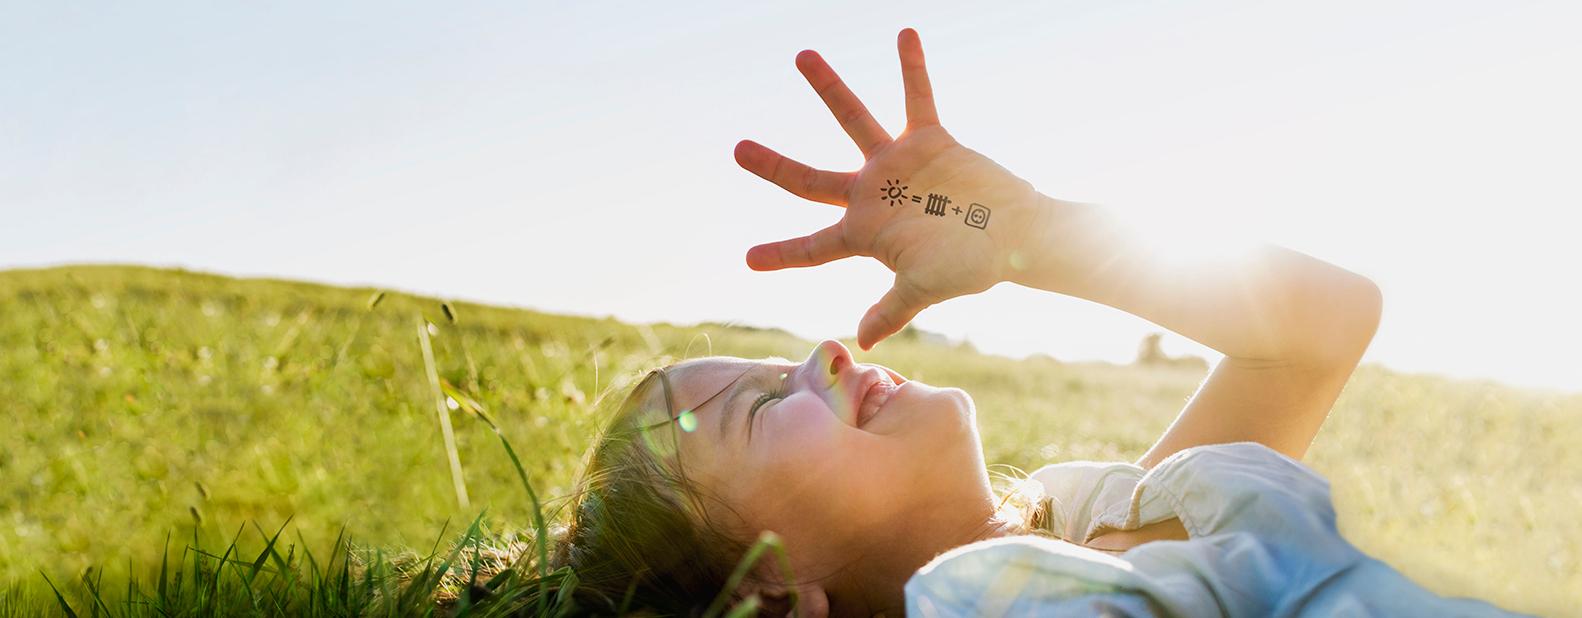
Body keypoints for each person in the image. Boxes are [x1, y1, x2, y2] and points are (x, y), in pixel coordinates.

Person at [545, 29, 1520, 617]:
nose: (825, 353)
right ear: (772, 596)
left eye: (778, 360)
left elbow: (1324, 325)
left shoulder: (1101, 517)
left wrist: (1023, 233)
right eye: (760, 407)